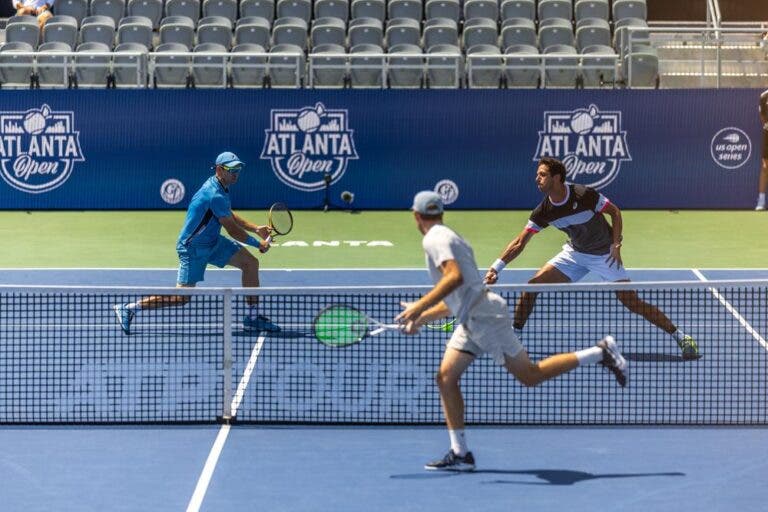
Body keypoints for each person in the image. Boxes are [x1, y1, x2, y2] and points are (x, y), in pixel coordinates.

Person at [396, 190, 628, 472]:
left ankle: (599, 352)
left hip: (486, 318)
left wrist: (419, 308)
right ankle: (460, 454)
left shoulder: (434, 239)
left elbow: (454, 278)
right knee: (446, 378)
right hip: (473, 316)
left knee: (530, 376)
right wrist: (421, 318)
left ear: (416, 216)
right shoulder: (450, 237)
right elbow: (461, 294)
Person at [484, 157, 699, 360]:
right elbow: (520, 242)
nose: (536, 179)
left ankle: (681, 336)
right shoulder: (544, 211)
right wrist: (496, 268)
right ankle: (514, 340)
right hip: (575, 254)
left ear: (557, 177)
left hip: (604, 254)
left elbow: (614, 212)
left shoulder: (583, 195)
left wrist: (616, 244)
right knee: (532, 287)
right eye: (537, 175)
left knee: (632, 302)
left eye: (542, 174)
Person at [113, 151, 280, 334]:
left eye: (238, 168)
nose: (236, 173)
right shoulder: (213, 194)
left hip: (213, 242)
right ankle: (130, 308)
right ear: (219, 169)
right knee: (181, 299)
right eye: (232, 169)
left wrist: (256, 228)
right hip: (193, 249)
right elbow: (232, 230)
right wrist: (258, 244)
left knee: (250, 264)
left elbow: (227, 213)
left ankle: (253, 317)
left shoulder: (220, 185)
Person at [756, 89, 768, 211]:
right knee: (765, 167)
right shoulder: (764, 96)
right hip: (767, 135)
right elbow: (762, 116)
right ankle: (761, 200)